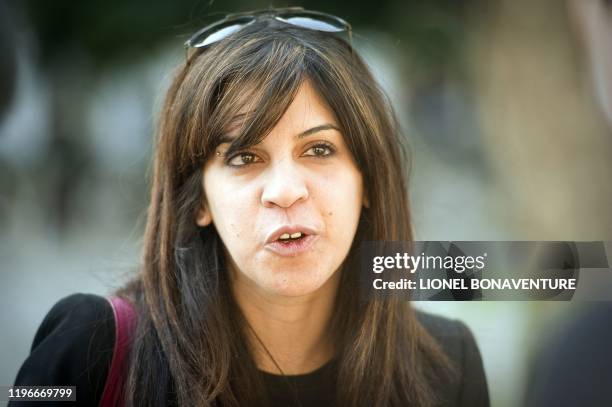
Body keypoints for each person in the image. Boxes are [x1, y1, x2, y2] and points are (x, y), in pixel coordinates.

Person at [10, 7, 489, 407]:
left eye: (319, 150)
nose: (284, 190)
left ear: (367, 182)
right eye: (244, 157)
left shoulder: (447, 365)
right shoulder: (89, 349)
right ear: (199, 202)